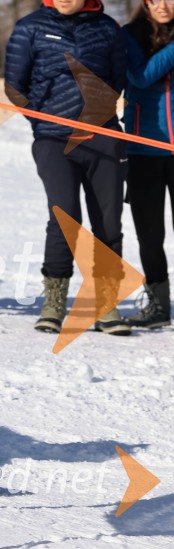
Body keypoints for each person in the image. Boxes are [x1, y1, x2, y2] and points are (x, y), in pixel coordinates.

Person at [5, 0, 131, 335]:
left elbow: (117, 80)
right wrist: (43, 121)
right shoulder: (29, 28)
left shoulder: (107, 29)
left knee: (108, 219)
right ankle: (55, 302)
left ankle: (105, 302)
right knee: (65, 216)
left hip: (102, 137)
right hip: (53, 140)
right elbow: (14, 86)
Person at [122, 0, 174, 328]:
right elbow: (140, 77)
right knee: (149, 234)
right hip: (144, 148)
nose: (164, 5)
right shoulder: (130, 35)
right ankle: (158, 305)